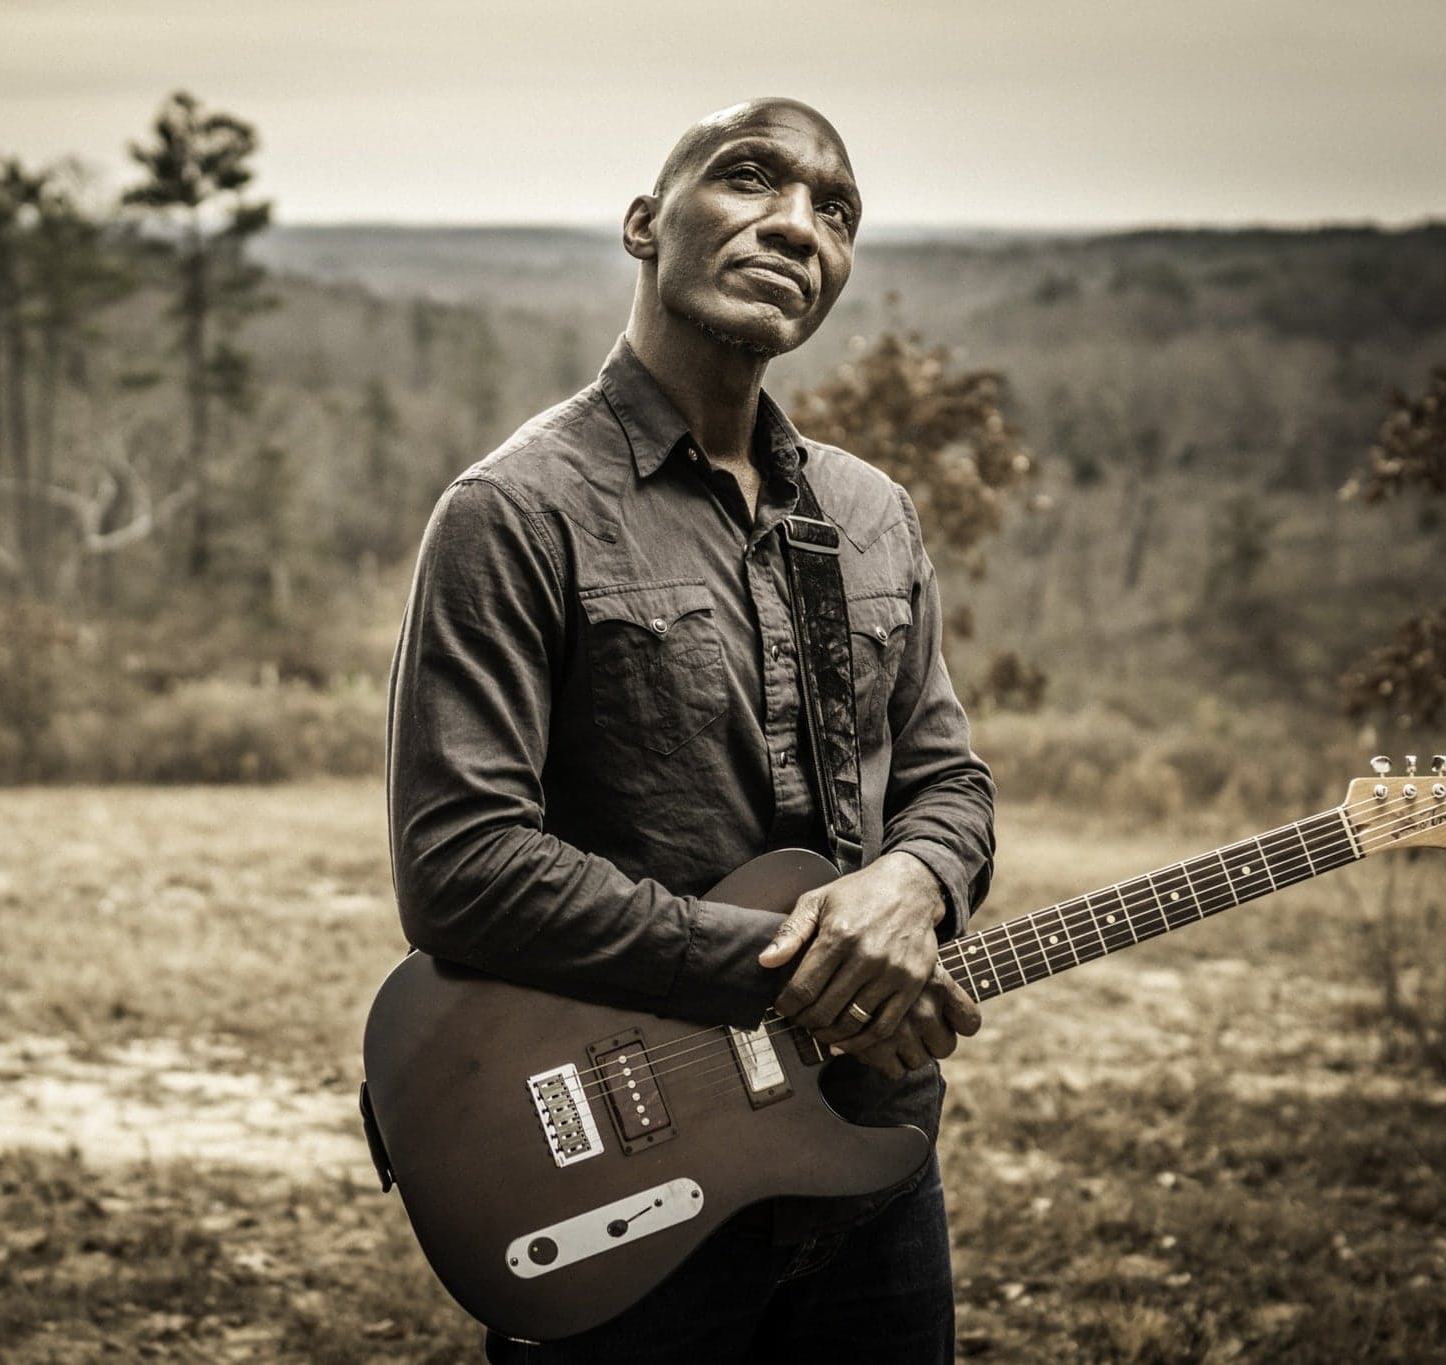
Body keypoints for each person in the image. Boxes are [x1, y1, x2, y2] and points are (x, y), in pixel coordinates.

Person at [384, 97, 996, 1363]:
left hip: (870, 1151)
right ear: (644, 224)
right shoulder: (515, 510)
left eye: (835, 212)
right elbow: (460, 870)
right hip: (623, 1175)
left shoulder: (870, 513)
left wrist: (908, 882)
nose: (797, 225)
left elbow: (947, 781)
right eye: (752, 179)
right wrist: (794, 963)